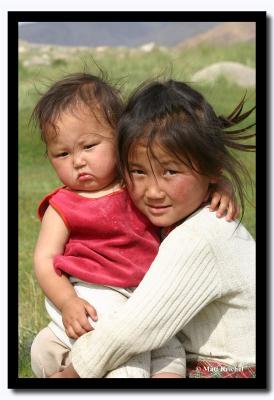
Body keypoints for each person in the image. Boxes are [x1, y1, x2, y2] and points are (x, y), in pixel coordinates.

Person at [30, 73, 236, 379]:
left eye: (89, 146)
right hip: (98, 298)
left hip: (152, 300)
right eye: (63, 153)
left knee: (171, 360)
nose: (77, 161)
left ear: (120, 139)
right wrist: (68, 300)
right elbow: (44, 260)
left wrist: (220, 187)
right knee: (127, 366)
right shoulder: (64, 205)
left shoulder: (138, 185)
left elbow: (184, 188)